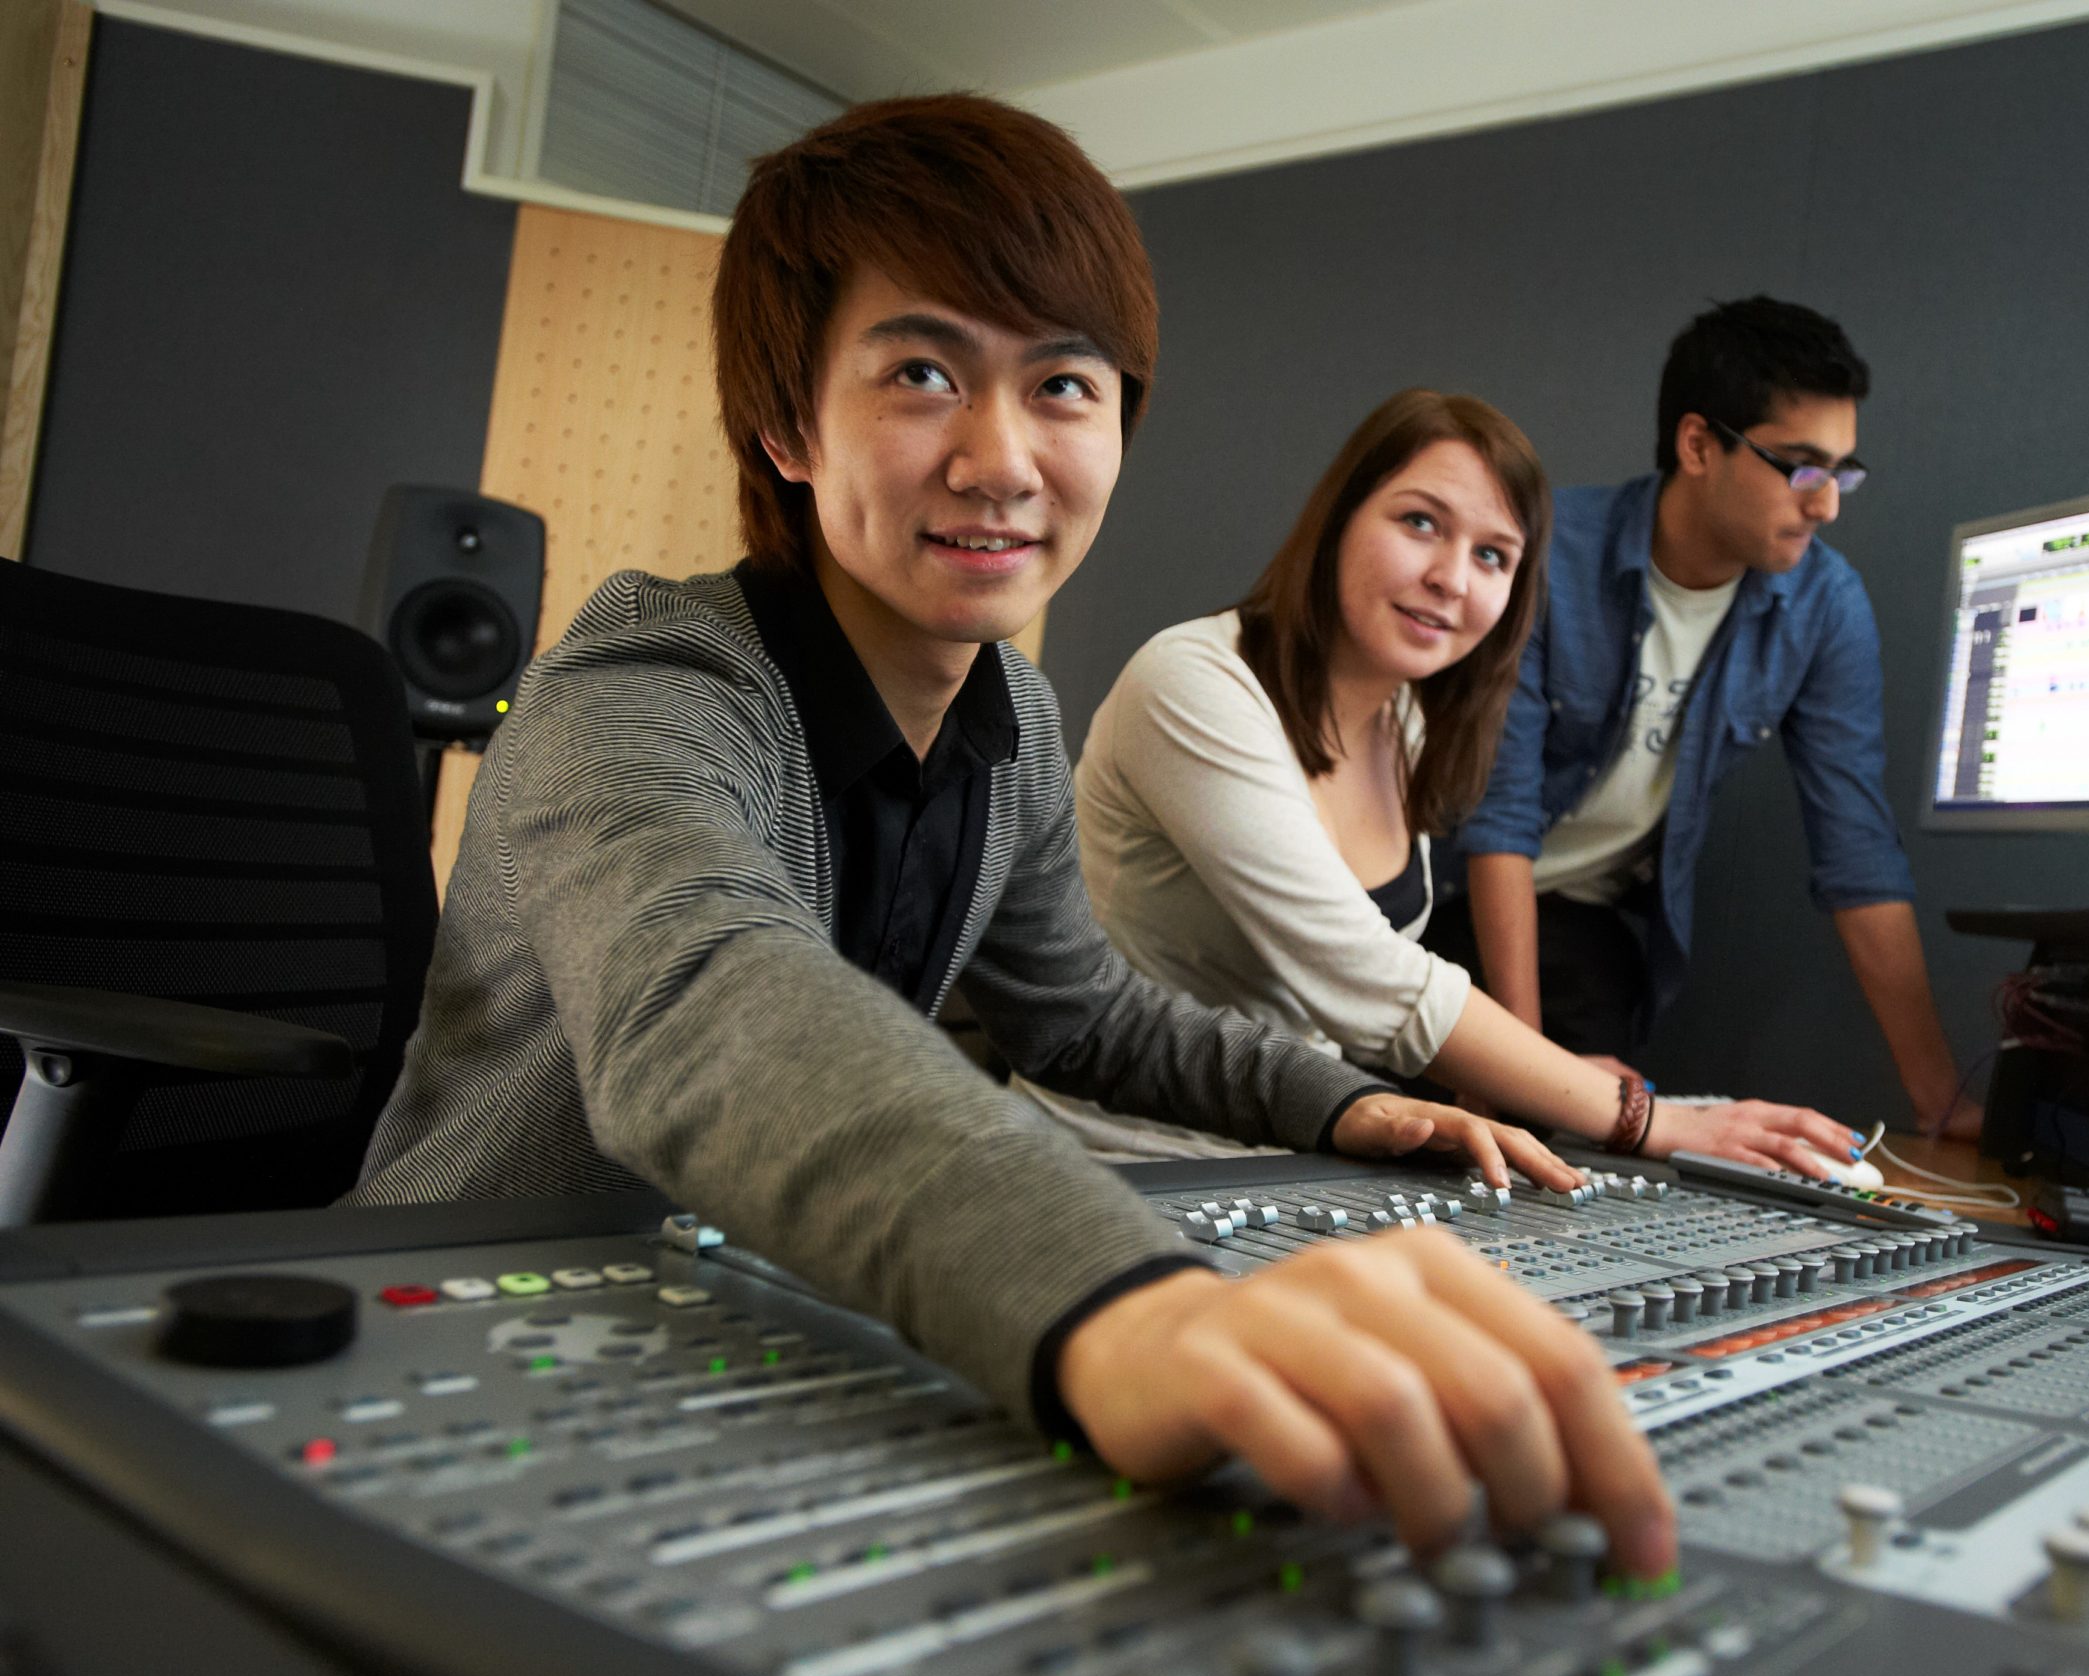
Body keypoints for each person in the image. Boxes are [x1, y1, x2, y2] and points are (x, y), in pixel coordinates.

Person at [348, 97, 1672, 1574]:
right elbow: (705, 996)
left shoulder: (1017, 721)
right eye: (922, 371)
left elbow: (1086, 1016)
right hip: (464, 1324)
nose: (1002, 457)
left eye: (1062, 385)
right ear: (788, 422)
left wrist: (1345, 1106)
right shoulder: (644, 680)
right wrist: (1118, 1295)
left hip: (756, 1312)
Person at [1049, 389, 1862, 1176]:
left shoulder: (1402, 721)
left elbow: (1348, 1025)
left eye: (1492, 556)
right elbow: (1366, 976)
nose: (1453, 578)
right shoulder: (1194, 682)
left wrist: (1530, 1075)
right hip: (1127, 1166)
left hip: (1298, 1158)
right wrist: (1642, 1115)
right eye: (1419, 522)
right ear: (1338, 518)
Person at [1430, 298, 1985, 1140]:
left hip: (1580, 922)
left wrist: (1941, 1102)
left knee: (1586, 1146)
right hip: (1439, 890)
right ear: (1698, 444)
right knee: (1437, 1120)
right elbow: (1497, 819)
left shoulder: (1823, 605)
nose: (1828, 503)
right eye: (1801, 467)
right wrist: (1530, 1067)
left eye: (1842, 470)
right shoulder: (1548, 552)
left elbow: (1857, 854)